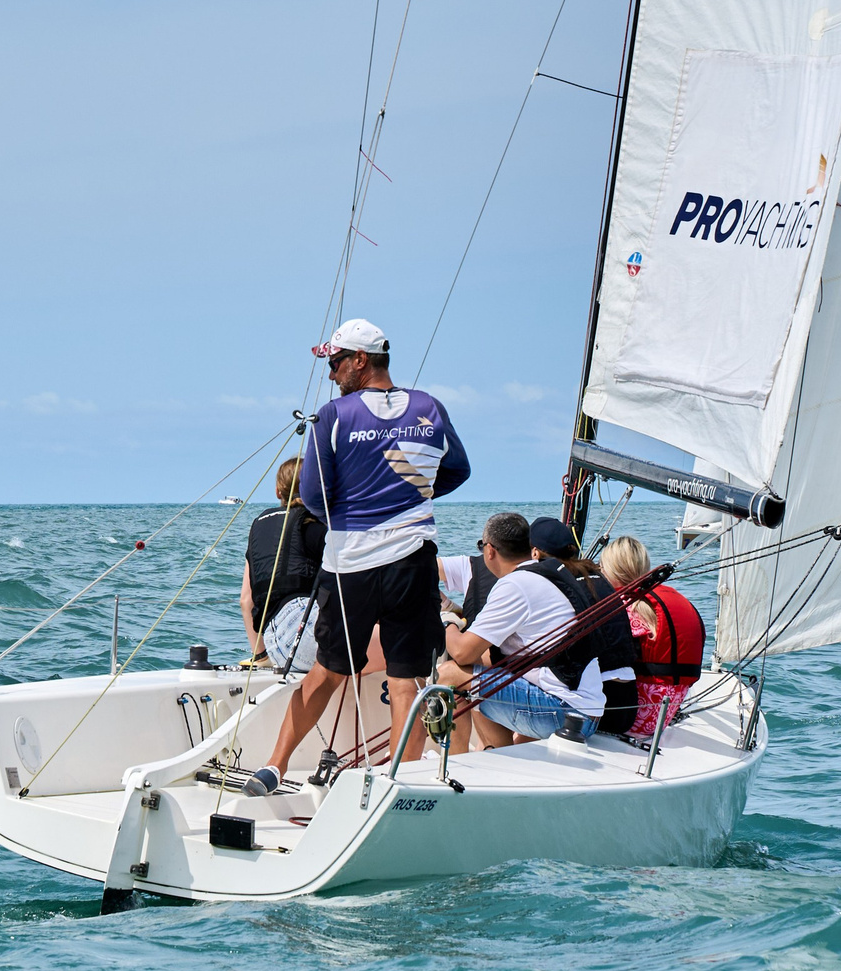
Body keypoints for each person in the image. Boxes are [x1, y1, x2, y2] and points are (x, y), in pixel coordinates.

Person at [247, 318, 468, 792]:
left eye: (336, 363)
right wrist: (412, 495)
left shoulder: (333, 416)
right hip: (412, 561)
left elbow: (312, 495)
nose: (331, 374)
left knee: (328, 670)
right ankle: (400, 784)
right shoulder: (430, 406)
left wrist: (358, 506)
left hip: (350, 567)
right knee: (408, 677)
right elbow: (458, 470)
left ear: (361, 360)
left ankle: (275, 767)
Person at [434, 512, 607, 746]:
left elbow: (462, 653)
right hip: (585, 711)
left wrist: (448, 621)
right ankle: (500, 756)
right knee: (479, 674)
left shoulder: (515, 585)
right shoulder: (548, 573)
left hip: (566, 714)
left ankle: (455, 763)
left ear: (489, 551)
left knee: (449, 675)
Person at [527, 516, 643, 736]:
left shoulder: (553, 583)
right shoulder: (596, 576)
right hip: (628, 702)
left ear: (535, 553)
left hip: (600, 708)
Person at [599, 534, 705, 740]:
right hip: (663, 713)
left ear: (611, 569)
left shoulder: (625, 607)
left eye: (602, 567)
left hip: (632, 717)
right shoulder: (668, 600)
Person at [241, 457, 325, 669]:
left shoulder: (259, 529)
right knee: (401, 640)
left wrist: (261, 656)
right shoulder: (316, 528)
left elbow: (246, 600)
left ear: (278, 491)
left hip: (276, 644)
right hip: (307, 630)